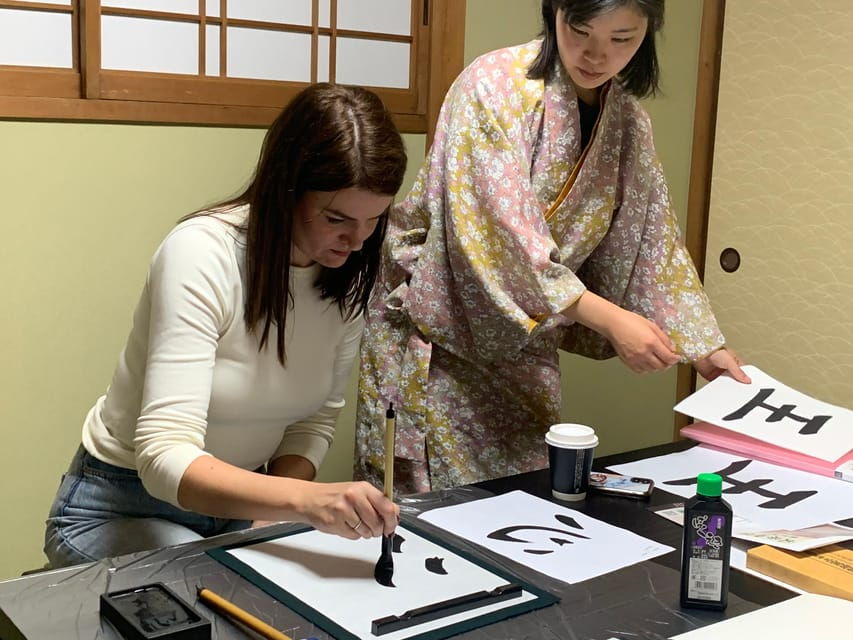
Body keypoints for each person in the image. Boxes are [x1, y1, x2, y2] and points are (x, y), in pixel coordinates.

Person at [355, 0, 750, 494]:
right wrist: (609, 318)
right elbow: (496, 236)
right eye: (580, 30)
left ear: (647, 33)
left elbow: (651, 239)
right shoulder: (493, 86)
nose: (595, 55)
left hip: (527, 344)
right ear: (554, 11)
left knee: (521, 501)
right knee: (432, 518)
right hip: (443, 339)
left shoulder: (627, 121)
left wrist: (701, 347)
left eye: (621, 39)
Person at [45, 83, 406, 568]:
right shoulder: (202, 253)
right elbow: (163, 456)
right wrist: (305, 501)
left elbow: (312, 422)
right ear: (287, 191)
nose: (358, 241)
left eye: (374, 220)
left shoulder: (345, 272)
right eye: (337, 218)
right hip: (117, 504)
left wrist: (275, 508)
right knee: (214, 596)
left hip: (240, 505)